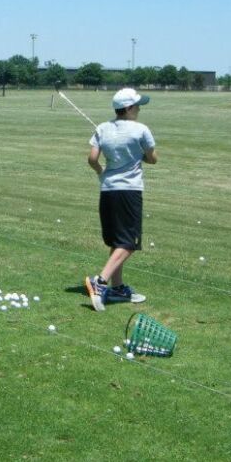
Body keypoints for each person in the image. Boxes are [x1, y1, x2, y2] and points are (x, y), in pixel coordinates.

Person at [84, 88, 157, 311]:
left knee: (118, 241)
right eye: (137, 106)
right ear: (128, 108)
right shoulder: (141, 130)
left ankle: (117, 288)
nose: (139, 109)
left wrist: (101, 171)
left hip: (107, 190)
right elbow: (153, 158)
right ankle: (101, 282)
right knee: (129, 243)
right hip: (129, 191)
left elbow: (92, 158)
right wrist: (140, 154)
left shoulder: (102, 128)